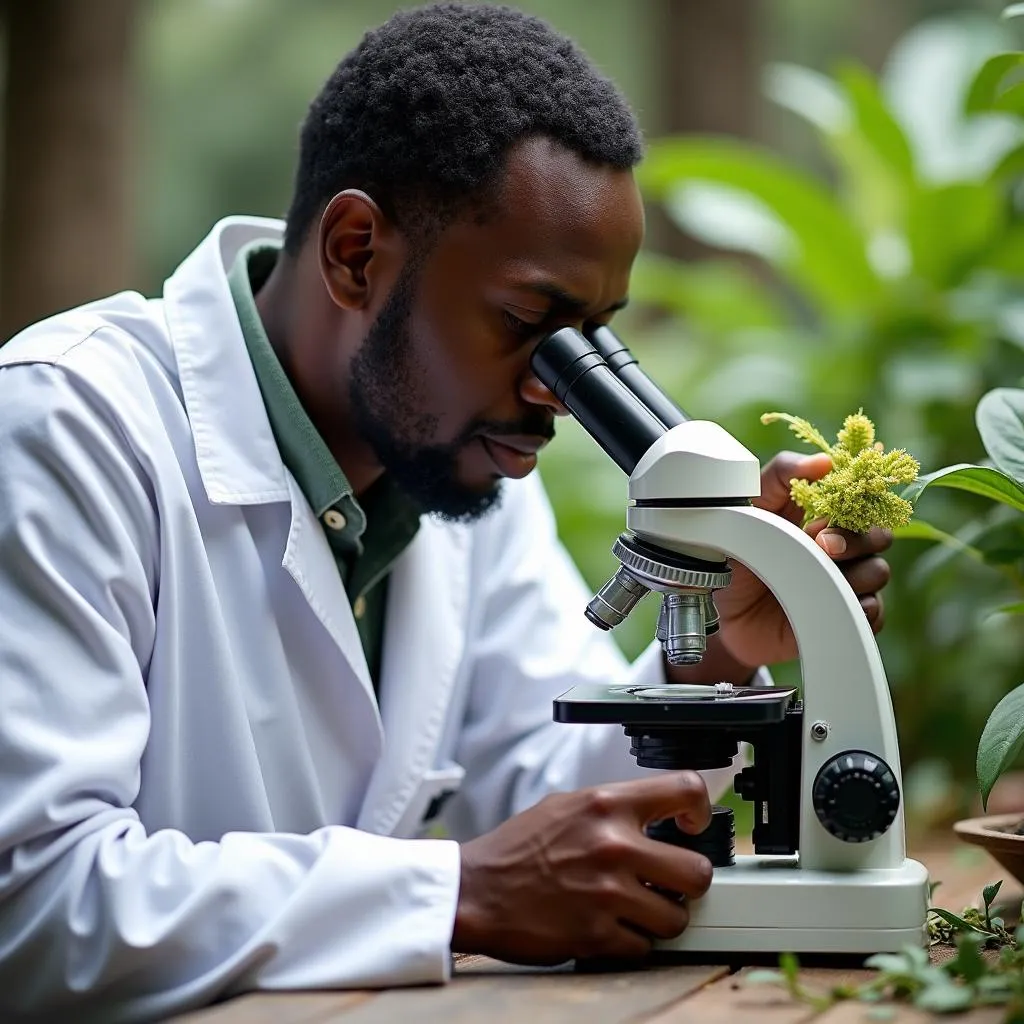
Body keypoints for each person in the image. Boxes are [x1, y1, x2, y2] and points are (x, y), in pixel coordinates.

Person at [0, 4, 892, 1021]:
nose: (560, 389)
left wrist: (715, 654)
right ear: (354, 253)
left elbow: (534, 793)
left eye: (593, 339)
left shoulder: (455, 461)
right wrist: (456, 892)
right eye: (528, 323)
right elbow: (32, 901)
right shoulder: (65, 429)